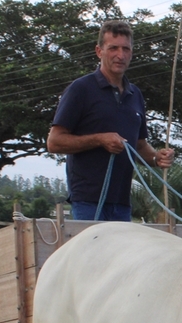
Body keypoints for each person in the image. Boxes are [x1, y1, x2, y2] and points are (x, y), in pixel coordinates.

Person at [47, 20, 174, 221]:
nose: (120, 55)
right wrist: (100, 139)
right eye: (113, 48)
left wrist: (157, 159)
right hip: (88, 202)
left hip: (122, 203)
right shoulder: (81, 89)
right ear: (99, 51)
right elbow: (54, 142)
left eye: (126, 49)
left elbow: (139, 145)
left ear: (132, 53)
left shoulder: (135, 95)